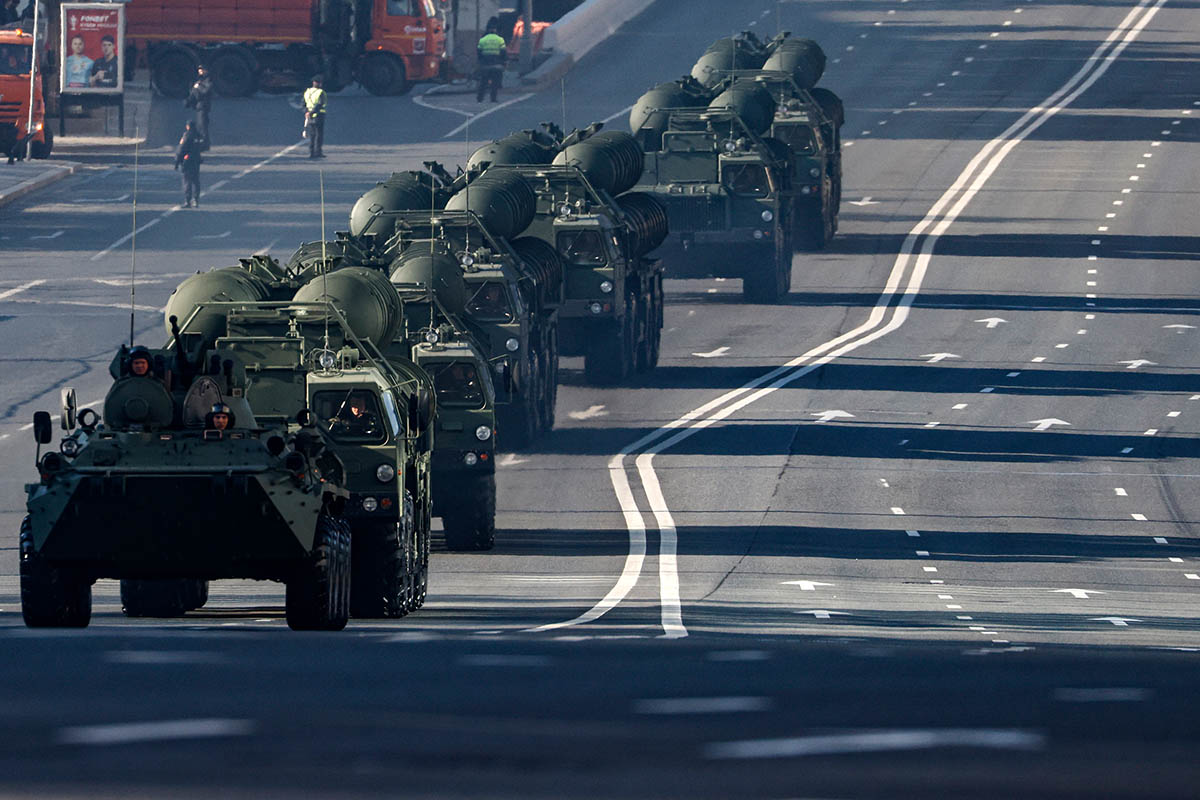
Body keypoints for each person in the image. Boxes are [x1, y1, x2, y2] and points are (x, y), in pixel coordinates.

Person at [174, 121, 203, 208]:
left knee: (187, 181)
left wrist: (177, 161)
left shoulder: (187, 136)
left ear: (188, 127)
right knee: (196, 181)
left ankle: (188, 201)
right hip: (196, 161)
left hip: (187, 161)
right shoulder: (198, 136)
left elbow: (181, 149)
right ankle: (196, 200)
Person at [476, 23, 506, 103]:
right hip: (497, 64)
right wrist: (503, 62)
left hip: (485, 64)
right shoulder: (500, 40)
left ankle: (480, 98)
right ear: (496, 30)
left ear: (488, 30)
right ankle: (493, 98)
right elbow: (503, 53)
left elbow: (479, 52)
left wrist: (481, 62)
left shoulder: (482, 40)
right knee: (495, 83)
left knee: (483, 82)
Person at [184, 65, 213, 151]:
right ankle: (202, 143)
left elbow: (205, 91)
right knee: (200, 125)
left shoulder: (208, 80)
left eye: (202, 70)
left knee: (203, 125)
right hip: (199, 106)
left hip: (203, 106)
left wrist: (198, 87)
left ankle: (205, 144)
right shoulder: (200, 80)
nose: (200, 71)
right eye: (199, 70)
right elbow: (194, 92)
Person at [303, 75, 327, 159]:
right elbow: (320, 104)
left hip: (309, 117)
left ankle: (311, 152)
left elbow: (303, 104)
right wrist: (312, 112)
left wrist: (307, 112)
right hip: (318, 115)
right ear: (318, 83)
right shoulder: (320, 92)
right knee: (319, 135)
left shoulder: (307, 92)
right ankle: (318, 152)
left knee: (312, 135)